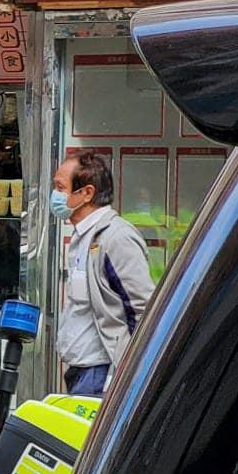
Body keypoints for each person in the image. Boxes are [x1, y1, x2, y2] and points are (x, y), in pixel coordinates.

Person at [51, 152, 155, 397]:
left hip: (102, 373)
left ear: (86, 193)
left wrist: (130, 373)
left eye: (60, 187)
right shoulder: (83, 236)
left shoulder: (116, 238)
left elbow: (142, 309)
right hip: (81, 371)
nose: (55, 195)